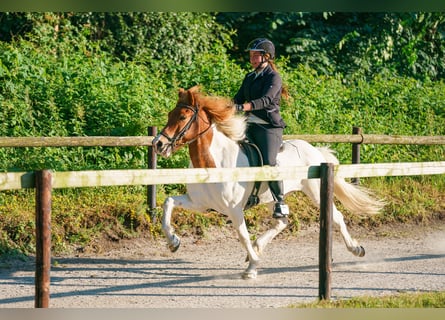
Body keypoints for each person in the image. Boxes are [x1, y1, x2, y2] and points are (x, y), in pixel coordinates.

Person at [233, 38, 289, 219]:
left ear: (267, 57)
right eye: (251, 55)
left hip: (268, 127)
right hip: (248, 125)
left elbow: (265, 101)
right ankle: (248, 196)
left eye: (256, 55)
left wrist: (243, 107)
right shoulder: (249, 77)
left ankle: (280, 202)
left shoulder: (274, 77)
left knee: (268, 161)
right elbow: (238, 98)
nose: (252, 59)